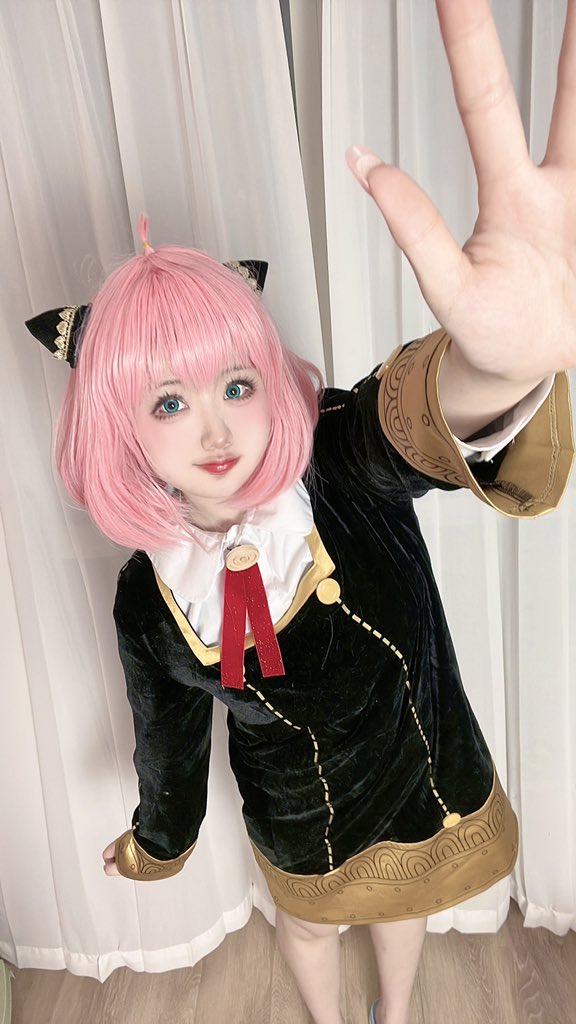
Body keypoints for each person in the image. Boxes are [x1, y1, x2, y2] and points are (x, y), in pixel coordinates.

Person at [25, 2, 576, 1023]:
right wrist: (158, 838)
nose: (215, 427)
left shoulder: (334, 454)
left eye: (234, 383)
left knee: (403, 909)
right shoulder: (149, 599)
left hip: (416, 765)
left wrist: (499, 369)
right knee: (313, 926)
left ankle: (393, 1013)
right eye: (167, 402)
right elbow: (169, 737)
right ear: (119, 430)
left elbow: (414, 421)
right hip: (296, 814)